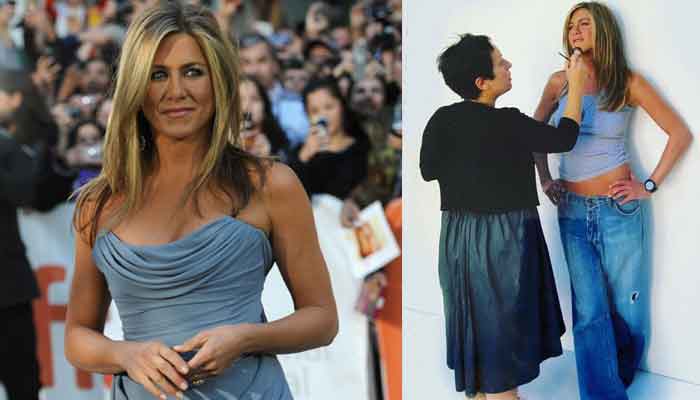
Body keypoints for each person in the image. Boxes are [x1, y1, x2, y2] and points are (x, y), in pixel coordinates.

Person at [64, 3, 338, 400]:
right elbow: (77, 336)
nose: (176, 91)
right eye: (158, 75)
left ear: (218, 80)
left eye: (193, 71)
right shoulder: (99, 203)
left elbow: (322, 318)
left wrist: (245, 338)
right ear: (136, 87)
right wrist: (126, 354)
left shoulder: (271, 185)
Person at [533, 3, 693, 400]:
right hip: (571, 211)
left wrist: (648, 185)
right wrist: (546, 178)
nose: (575, 30)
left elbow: (679, 133)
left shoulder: (627, 82)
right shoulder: (558, 83)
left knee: (628, 307)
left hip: (619, 211)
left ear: (603, 30)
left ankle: (617, 377)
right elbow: (534, 135)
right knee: (589, 310)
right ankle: (603, 393)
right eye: (571, 25)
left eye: (584, 23)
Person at [419, 34, 586, 400]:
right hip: (506, 236)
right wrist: (576, 87)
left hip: (457, 237)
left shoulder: (442, 120)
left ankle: (487, 394)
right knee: (502, 330)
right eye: (500, 63)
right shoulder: (509, 123)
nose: (509, 66)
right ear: (482, 82)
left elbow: (428, 170)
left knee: (476, 327)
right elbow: (564, 139)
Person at [288, 77, 369, 200]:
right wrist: (303, 158)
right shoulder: (299, 153)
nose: (323, 116)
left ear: (341, 106)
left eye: (329, 107)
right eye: (314, 111)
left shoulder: (362, 147)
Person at [239, 75, 289, 160]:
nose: (246, 107)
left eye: (254, 99)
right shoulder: (218, 143)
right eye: (239, 100)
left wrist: (269, 158)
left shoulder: (279, 145)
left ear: (265, 106)